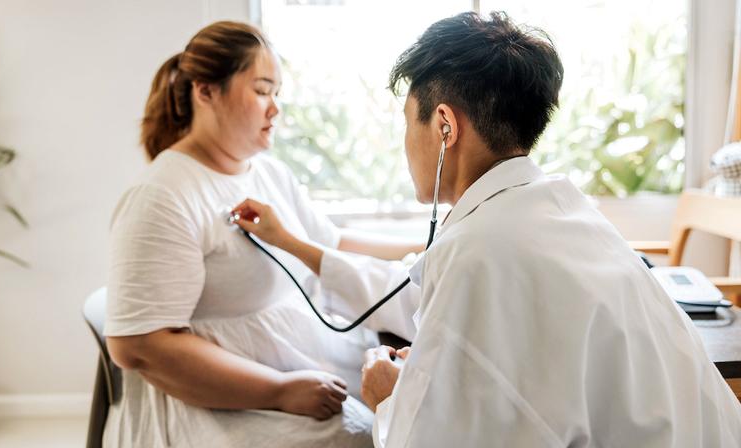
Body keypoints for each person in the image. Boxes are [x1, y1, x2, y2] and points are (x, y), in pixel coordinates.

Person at [233, 11, 741, 447]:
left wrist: (390, 397)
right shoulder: (556, 210)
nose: (405, 142)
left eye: (409, 122)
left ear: (445, 125)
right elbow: (414, 297)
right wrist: (293, 244)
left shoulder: (483, 250)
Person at [103, 21, 422, 448]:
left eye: (277, 94)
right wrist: (279, 390)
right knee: (367, 437)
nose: (276, 109)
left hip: (303, 366)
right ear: (205, 92)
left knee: (410, 413)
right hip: (218, 401)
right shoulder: (162, 197)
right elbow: (138, 346)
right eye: (262, 90)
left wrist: (426, 247)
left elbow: (330, 241)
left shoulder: (268, 172)